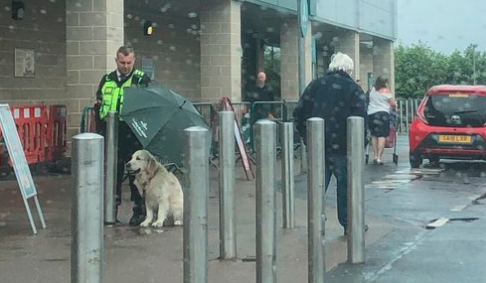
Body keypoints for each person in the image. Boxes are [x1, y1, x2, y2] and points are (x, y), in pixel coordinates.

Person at [293, 52, 367, 235]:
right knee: (346, 187)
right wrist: (361, 143)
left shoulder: (315, 85)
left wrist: (304, 134)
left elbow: (299, 111)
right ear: (348, 69)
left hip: (318, 143)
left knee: (317, 185)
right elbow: (361, 118)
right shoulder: (353, 88)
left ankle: (316, 221)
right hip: (343, 145)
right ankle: (349, 224)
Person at [95, 45, 151, 226]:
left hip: (132, 133)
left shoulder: (141, 79)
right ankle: (111, 211)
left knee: (136, 174)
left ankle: (138, 211)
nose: (126, 66)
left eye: (129, 62)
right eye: (122, 62)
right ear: (116, 61)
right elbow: (99, 105)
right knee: (112, 173)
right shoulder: (107, 79)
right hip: (111, 132)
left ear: (134, 61)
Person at [367, 76, 397, 165]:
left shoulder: (372, 90)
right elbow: (392, 104)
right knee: (382, 136)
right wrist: (395, 105)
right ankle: (379, 157)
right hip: (382, 114)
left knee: (374, 135)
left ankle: (375, 155)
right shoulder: (386, 91)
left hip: (371, 114)